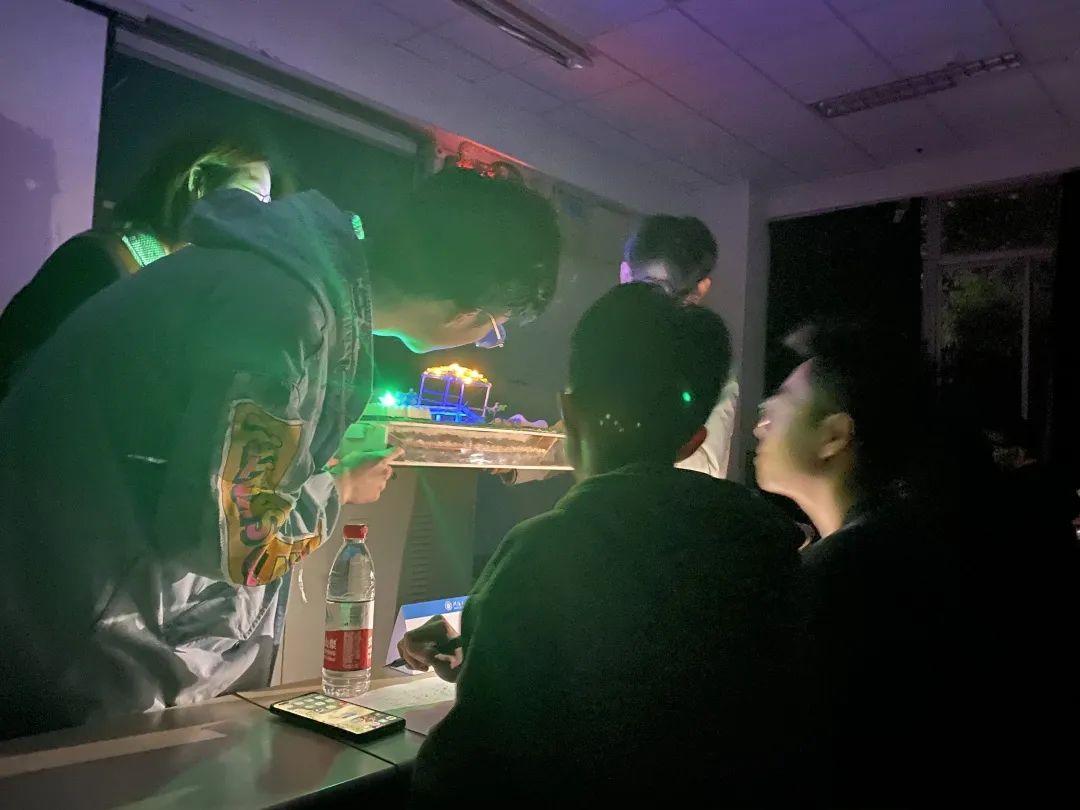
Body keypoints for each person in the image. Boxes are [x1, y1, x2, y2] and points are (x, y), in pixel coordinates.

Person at [0, 167, 560, 739]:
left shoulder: (281, 278)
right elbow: (231, 541)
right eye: (495, 327)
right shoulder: (287, 311)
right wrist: (339, 488)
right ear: (464, 309)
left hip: (75, 606)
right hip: (79, 643)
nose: (485, 339)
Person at [406, 284, 808, 804]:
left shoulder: (541, 554)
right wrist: (477, 651)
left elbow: (465, 772)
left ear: (568, 412)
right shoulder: (767, 553)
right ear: (693, 441)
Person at [753, 322, 1080, 806]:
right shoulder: (896, 544)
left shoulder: (848, 576)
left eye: (780, 404)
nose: (761, 422)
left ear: (834, 435)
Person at [0, 129, 283, 400]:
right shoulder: (98, 261)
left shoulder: (179, 283)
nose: (260, 217)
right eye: (253, 197)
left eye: (267, 204)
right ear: (197, 183)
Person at [504, 214, 738, 485]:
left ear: (700, 289)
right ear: (625, 274)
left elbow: (707, 467)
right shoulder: (606, 338)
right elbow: (587, 425)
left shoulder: (706, 359)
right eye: (648, 287)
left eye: (669, 292)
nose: (655, 306)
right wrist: (523, 449)